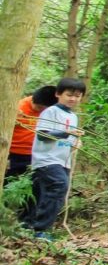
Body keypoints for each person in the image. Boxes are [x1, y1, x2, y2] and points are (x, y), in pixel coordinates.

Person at [23, 78, 86, 238]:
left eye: (77, 96)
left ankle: (27, 226)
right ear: (58, 94)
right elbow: (43, 135)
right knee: (58, 186)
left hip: (63, 160)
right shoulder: (50, 112)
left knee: (39, 194)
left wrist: (76, 142)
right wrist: (68, 133)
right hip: (46, 160)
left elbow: (68, 139)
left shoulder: (73, 116)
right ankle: (41, 230)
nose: (73, 99)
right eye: (69, 95)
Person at [6, 85, 57, 186]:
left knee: (31, 186)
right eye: (38, 107)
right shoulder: (18, 107)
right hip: (14, 153)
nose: (39, 110)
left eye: (43, 109)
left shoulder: (52, 112)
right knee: (8, 184)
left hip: (36, 154)